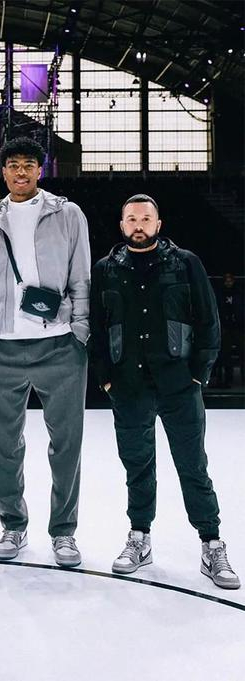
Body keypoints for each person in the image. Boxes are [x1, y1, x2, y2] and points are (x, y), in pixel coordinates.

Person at [90, 193, 240, 589]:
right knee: (137, 467)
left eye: (145, 219)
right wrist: (106, 379)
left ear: (158, 224)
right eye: (132, 219)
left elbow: (208, 322)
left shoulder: (186, 263)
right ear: (122, 225)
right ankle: (139, 537)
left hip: (178, 386)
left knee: (193, 466)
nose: (138, 225)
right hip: (129, 387)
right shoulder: (106, 269)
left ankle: (211, 543)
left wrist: (198, 376)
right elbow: (97, 327)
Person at [0, 137, 90, 565]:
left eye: (28, 164)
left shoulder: (67, 213)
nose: (20, 171)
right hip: (0, 348)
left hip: (59, 345)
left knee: (67, 444)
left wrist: (79, 329)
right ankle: (13, 525)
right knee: (2, 445)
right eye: (13, 165)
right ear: (3, 171)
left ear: (40, 170)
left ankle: (64, 532)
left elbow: (81, 274)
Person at [216, 272, 244, 387]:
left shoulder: (239, 293)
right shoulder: (221, 294)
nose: (228, 283)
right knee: (226, 354)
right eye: (226, 281)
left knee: (242, 352)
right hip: (226, 327)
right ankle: (228, 378)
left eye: (230, 281)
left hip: (238, 326)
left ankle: (240, 378)